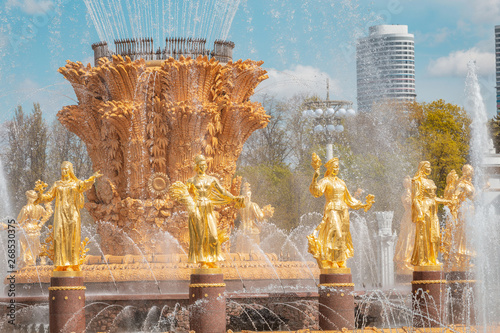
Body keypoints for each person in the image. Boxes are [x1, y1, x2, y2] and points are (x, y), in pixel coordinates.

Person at [170, 155, 244, 268]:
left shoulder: (212, 179)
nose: (203, 167)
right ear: (196, 166)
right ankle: (202, 261)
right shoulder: (191, 181)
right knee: (199, 235)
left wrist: (234, 198)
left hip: (208, 208)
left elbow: (222, 192)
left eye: (204, 165)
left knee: (213, 235)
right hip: (197, 208)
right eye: (200, 165)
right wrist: (183, 200)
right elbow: (184, 194)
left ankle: (212, 259)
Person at [307, 154, 374, 269]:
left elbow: (349, 199)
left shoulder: (341, 182)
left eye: (338, 167)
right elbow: (316, 192)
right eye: (334, 167)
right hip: (332, 208)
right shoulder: (325, 181)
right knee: (334, 233)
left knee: (342, 236)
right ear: (329, 168)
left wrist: (363, 205)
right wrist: (315, 178)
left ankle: (340, 260)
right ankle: (331, 260)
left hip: (343, 210)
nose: (336, 169)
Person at [35, 161, 102, 271]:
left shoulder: (76, 183)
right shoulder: (57, 184)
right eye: (62, 169)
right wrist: (40, 193)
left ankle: (72, 264)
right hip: (60, 215)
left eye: (66, 169)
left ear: (70, 170)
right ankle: (60, 264)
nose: (64, 171)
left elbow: (84, 185)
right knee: (59, 237)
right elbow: (48, 197)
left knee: (72, 238)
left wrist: (92, 177)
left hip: (73, 215)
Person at [410, 161, 449, 267]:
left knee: (435, 235)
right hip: (424, 210)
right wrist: (419, 212)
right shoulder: (417, 181)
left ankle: (433, 258)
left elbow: (433, 198)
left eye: (430, 167)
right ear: (422, 168)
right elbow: (415, 199)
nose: (430, 169)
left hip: (433, 212)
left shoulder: (431, 181)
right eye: (427, 167)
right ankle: (423, 259)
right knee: (424, 235)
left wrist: (447, 201)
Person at [17, 190, 53, 267]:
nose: (27, 199)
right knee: (36, 249)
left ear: (29, 198)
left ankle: (27, 267)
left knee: (26, 251)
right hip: (36, 231)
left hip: (26, 231)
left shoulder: (26, 208)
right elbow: (48, 214)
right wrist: (40, 224)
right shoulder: (40, 208)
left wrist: (6, 226)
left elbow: (18, 223)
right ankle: (39, 264)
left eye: (27, 197)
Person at [393, 176, 414, 275]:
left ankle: (407, 259)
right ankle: (406, 259)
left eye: (406, 183)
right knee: (408, 237)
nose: (406, 185)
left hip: (409, 217)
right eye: (405, 183)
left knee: (408, 237)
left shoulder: (407, 193)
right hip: (410, 217)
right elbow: (409, 203)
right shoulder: (408, 193)